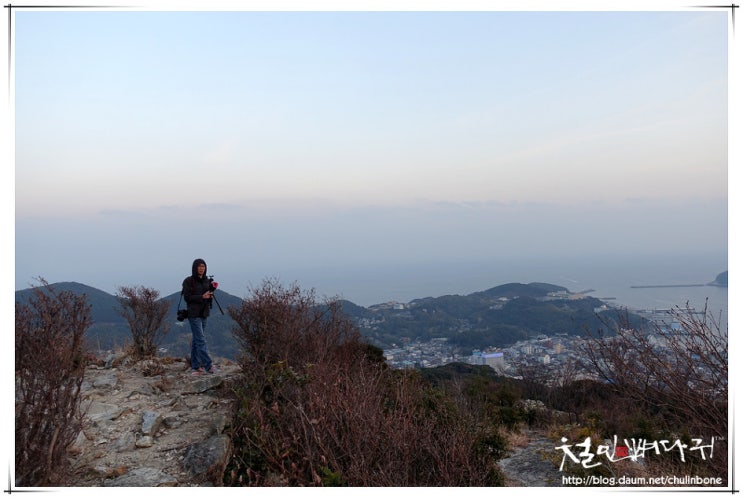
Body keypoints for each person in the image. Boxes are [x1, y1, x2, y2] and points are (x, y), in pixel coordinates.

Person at [182, 258, 216, 375]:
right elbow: (187, 298)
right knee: (201, 340)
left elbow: (207, 297)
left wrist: (209, 296)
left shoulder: (206, 281)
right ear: (195, 268)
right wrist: (202, 297)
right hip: (193, 314)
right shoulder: (188, 281)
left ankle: (196, 366)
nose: (202, 268)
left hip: (204, 313)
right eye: (199, 266)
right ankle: (208, 365)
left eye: (203, 266)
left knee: (197, 341)